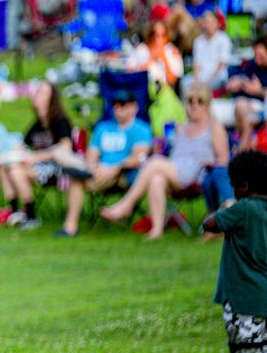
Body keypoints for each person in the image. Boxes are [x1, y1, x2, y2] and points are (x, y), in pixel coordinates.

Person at [101, 84, 228, 239]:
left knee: (154, 162)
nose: (194, 105)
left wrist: (210, 165)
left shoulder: (214, 128)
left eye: (199, 101)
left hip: (198, 173)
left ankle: (126, 205)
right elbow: (171, 152)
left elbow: (222, 159)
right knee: (156, 179)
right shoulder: (180, 128)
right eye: (190, 101)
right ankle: (157, 230)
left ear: (207, 104)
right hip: (174, 171)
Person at [203, 150, 267, 353]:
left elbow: (210, 224)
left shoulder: (244, 208)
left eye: (233, 186)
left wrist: (226, 207)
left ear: (245, 186)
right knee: (263, 351)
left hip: (242, 299)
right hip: (264, 298)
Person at [58, 90, 152, 237]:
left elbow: (138, 158)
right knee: (76, 177)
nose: (118, 108)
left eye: (122, 104)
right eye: (114, 104)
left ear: (134, 107)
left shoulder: (141, 129)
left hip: (124, 174)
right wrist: (93, 167)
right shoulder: (102, 128)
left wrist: (114, 168)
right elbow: (92, 154)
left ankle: (122, 209)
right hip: (99, 172)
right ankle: (70, 226)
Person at [0, 82, 75, 231]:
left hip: (59, 167)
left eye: (42, 92)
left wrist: (37, 156)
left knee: (17, 171)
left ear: (52, 99)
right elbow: (21, 146)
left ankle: (31, 215)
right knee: (6, 167)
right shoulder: (37, 124)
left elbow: (65, 148)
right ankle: (14, 210)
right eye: (37, 92)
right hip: (39, 166)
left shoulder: (60, 121)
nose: (37, 95)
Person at [218, 37, 267, 151]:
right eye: (255, 54)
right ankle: (245, 148)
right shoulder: (253, 65)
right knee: (242, 107)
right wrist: (238, 82)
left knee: (243, 107)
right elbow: (241, 78)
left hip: (262, 105)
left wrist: (258, 91)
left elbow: (259, 91)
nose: (257, 59)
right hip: (248, 103)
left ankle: (242, 149)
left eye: (261, 55)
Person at [187, 10, 232, 90]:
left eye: (211, 22)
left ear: (217, 23)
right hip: (201, 77)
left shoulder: (224, 39)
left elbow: (222, 63)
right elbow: (197, 63)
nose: (208, 25)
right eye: (206, 22)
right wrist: (196, 79)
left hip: (217, 77)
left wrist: (208, 80)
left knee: (205, 87)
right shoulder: (198, 41)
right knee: (185, 83)